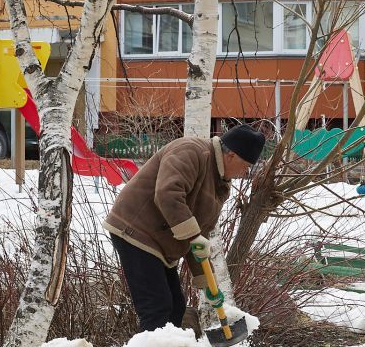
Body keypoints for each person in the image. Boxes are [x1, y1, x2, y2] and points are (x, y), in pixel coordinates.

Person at [104, 125, 266, 333]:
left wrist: (206, 280)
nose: (245, 173)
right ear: (232, 155)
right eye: (246, 166)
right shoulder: (191, 151)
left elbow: (200, 233)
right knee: (157, 306)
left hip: (161, 241)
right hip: (136, 230)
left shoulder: (220, 183)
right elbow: (167, 193)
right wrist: (193, 236)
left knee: (176, 307)